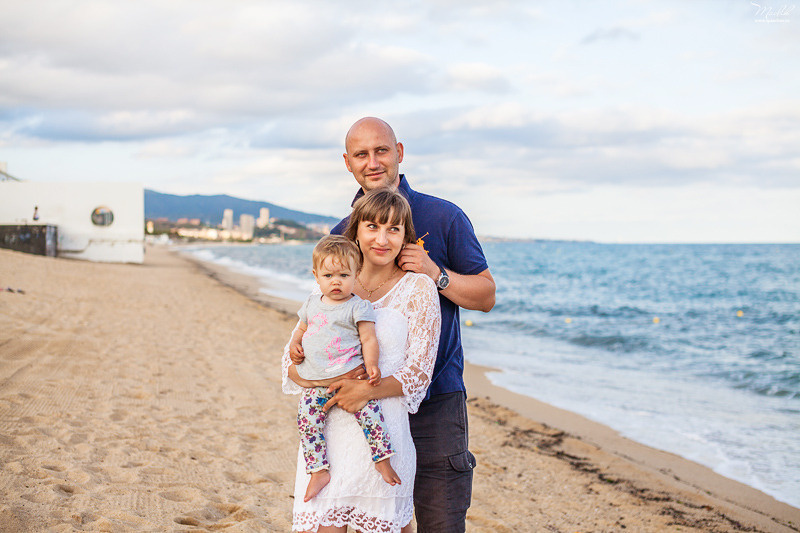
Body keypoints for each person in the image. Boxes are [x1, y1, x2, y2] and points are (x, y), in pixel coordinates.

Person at [328, 117, 496, 532]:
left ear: (399, 153)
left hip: (436, 402)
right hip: (367, 406)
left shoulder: (444, 216)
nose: (372, 162)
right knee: (374, 522)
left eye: (381, 151)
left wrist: (435, 273)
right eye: (361, 154)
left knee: (441, 523)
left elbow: (486, 296)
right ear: (347, 163)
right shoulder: (341, 234)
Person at [282, 188, 441, 533]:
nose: (382, 239)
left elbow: (419, 374)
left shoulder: (418, 289)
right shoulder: (328, 285)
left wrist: (364, 392)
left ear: (405, 236)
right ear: (356, 231)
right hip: (326, 442)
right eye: (373, 227)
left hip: (383, 437)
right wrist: (326, 382)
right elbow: (290, 363)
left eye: (393, 229)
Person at [288, 235, 401, 503]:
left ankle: (382, 460)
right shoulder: (312, 303)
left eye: (343, 275)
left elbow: (368, 339)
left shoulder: (357, 306)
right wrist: (294, 345)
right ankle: (319, 471)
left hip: (350, 379)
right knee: (307, 421)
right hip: (316, 381)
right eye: (328, 275)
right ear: (316, 276)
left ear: (356, 274)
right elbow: (300, 330)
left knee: (371, 416)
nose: (336, 281)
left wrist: (372, 365)